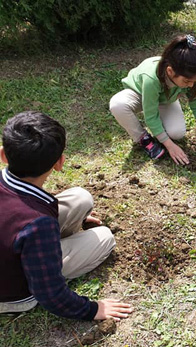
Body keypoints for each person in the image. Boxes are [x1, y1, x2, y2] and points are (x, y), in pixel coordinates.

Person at [0, 111, 133, 321]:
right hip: (13, 291)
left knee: (81, 198)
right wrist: (93, 309)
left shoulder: (24, 204)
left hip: (11, 244)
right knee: (105, 238)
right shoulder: (37, 224)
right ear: (60, 163)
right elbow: (50, 293)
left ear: (3, 155)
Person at [110, 34, 196, 165]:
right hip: (139, 93)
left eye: (194, 81)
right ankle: (142, 138)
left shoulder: (189, 76)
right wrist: (170, 146)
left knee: (177, 133)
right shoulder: (151, 79)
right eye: (187, 81)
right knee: (117, 105)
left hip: (166, 97)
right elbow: (151, 115)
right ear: (170, 71)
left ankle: (162, 124)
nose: (191, 85)